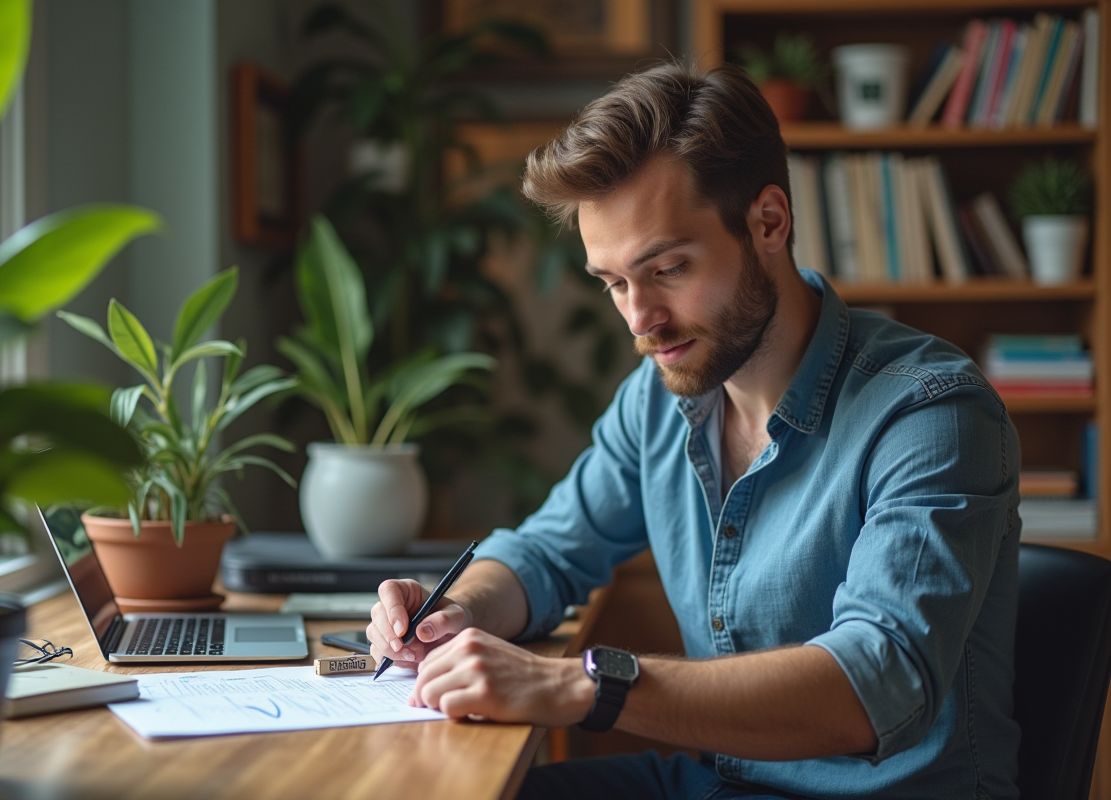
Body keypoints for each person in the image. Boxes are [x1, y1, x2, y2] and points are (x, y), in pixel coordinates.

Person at [368, 62, 1021, 800]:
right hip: (723, 782)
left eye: (668, 268)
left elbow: (876, 680)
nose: (639, 319)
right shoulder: (658, 399)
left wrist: (586, 686)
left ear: (768, 222)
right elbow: (546, 553)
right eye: (613, 282)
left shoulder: (932, 413)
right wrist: (453, 610)